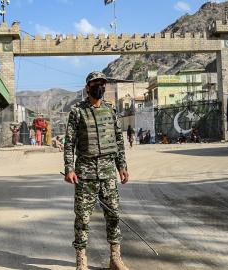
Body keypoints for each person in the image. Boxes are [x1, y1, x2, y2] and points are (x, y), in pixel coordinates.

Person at [64, 71, 130, 270]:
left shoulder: (111, 111)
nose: (100, 87)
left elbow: (119, 140)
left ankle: (115, 258)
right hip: (86, 172)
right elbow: (69, 143)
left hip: (109, 171)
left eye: (102, 83)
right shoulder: (77, 111)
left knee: (114, 215)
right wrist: (69, 168)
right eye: (96, 84)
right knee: (83, 218)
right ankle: (81, 260)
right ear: (88, 88)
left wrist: (122, 166)